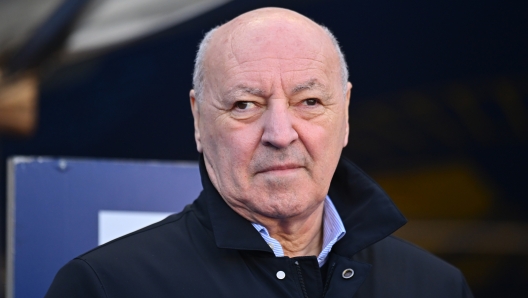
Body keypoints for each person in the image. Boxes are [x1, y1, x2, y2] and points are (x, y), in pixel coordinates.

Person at [45, 7, 473, 297]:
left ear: (344, 114)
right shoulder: (108, 286)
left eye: (309, 102)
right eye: (245, 105)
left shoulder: (435, 286)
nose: (281, 133)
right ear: (198, 120)